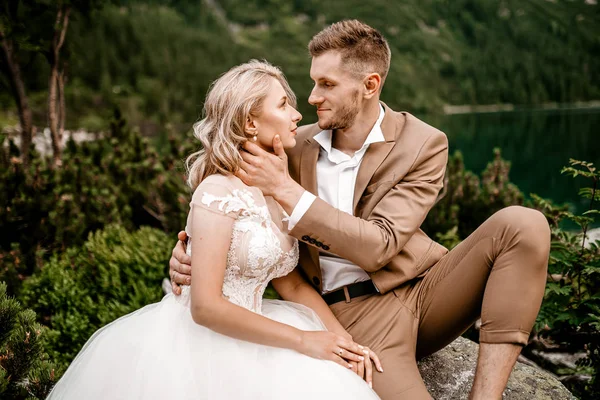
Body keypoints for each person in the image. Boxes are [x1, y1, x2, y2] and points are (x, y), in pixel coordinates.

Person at [170, 20, 551, 399]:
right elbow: (228, 208)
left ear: (370, 85)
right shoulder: (286, 145)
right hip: (352, 312)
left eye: (327, 84)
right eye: (314, 81)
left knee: (524, 223)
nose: (312, 98)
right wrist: (190, 254)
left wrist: (287, 190)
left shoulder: (424, 143)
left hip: (425, 288)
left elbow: (379, 246)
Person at [46, 60, 381, 400]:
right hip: (204, 346)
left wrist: (345, 344)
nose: (297, 115)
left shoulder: (276, 189)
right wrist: (304, 340)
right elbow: (205, 307)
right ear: (250, 121)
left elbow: (292, 284)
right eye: (283, 105)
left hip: (262, 327)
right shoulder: (216, 191)